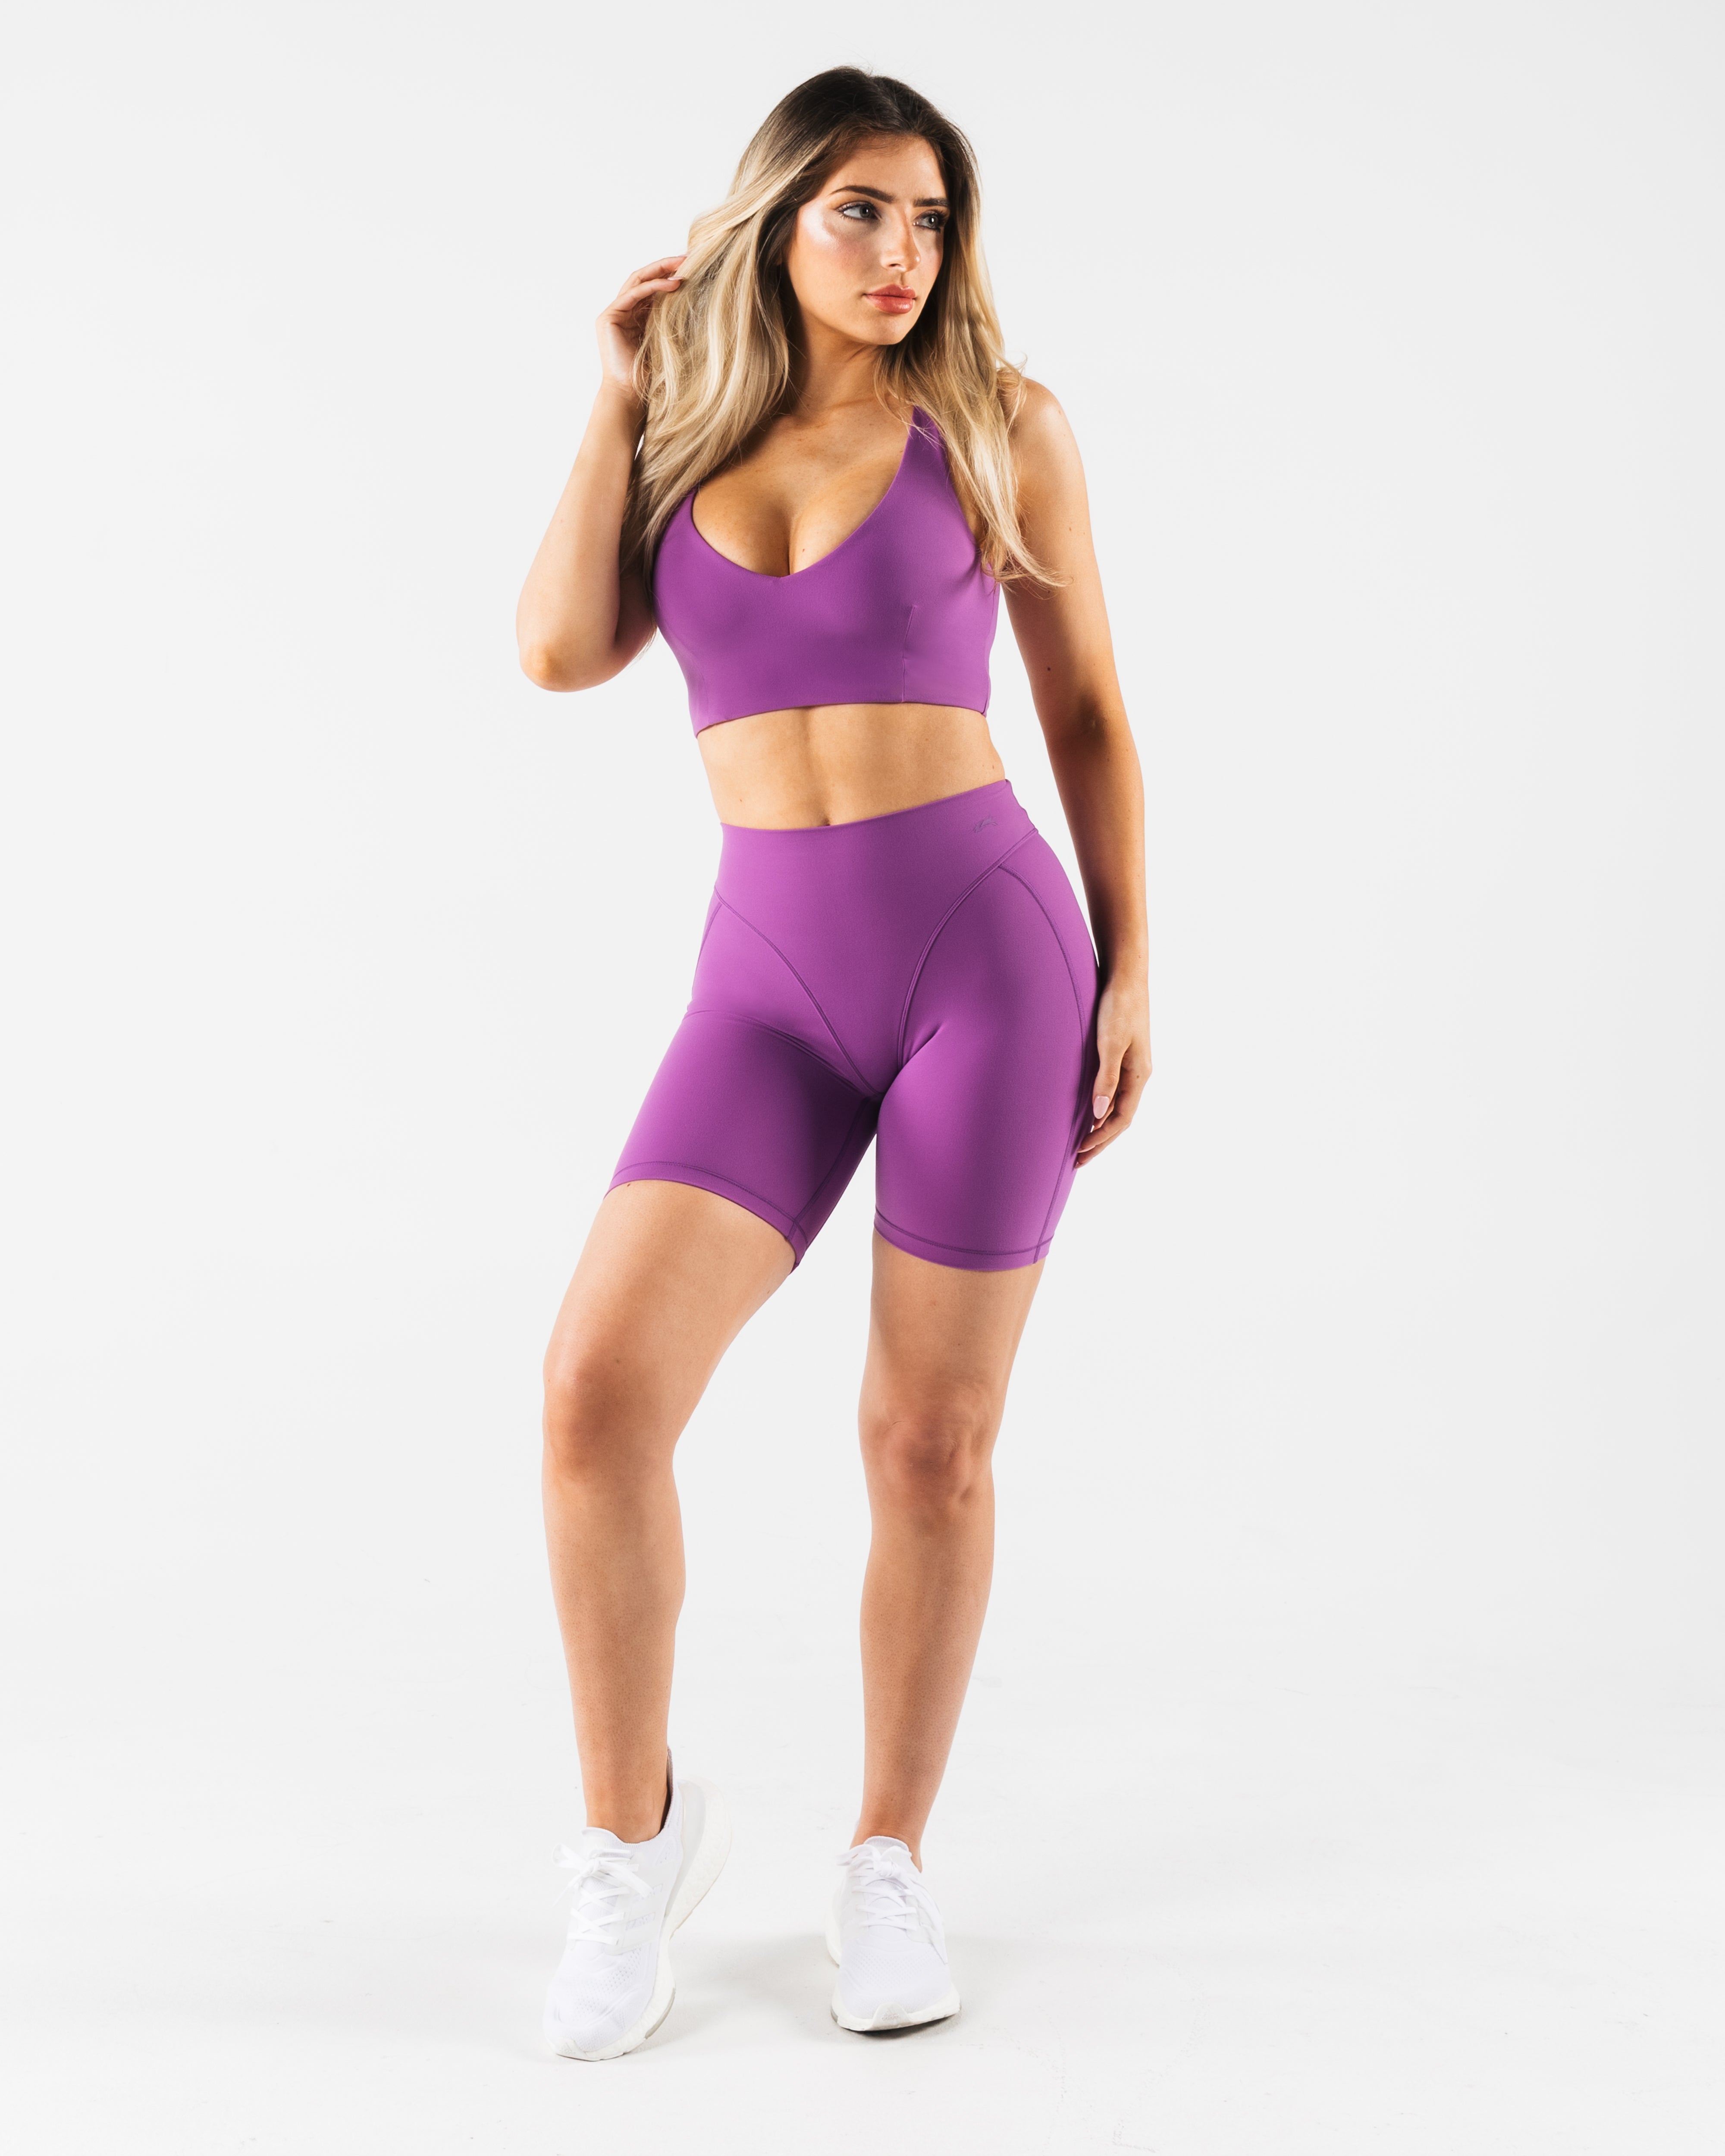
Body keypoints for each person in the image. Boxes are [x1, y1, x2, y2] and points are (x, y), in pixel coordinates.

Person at [515, 65, 1148, 2059]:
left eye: (931, 219)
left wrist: (1133, 958)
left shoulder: (998, 425)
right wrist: (616, 395)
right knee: (596, 1393)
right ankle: (633, 1844)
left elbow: (1088, 711)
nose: (902, 254)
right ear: (772, 217)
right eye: (860, 210)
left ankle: (887, 1854)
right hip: (768, 985)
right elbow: (556, 649)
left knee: (925, 1440)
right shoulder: (682, 435)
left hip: (990, 963)